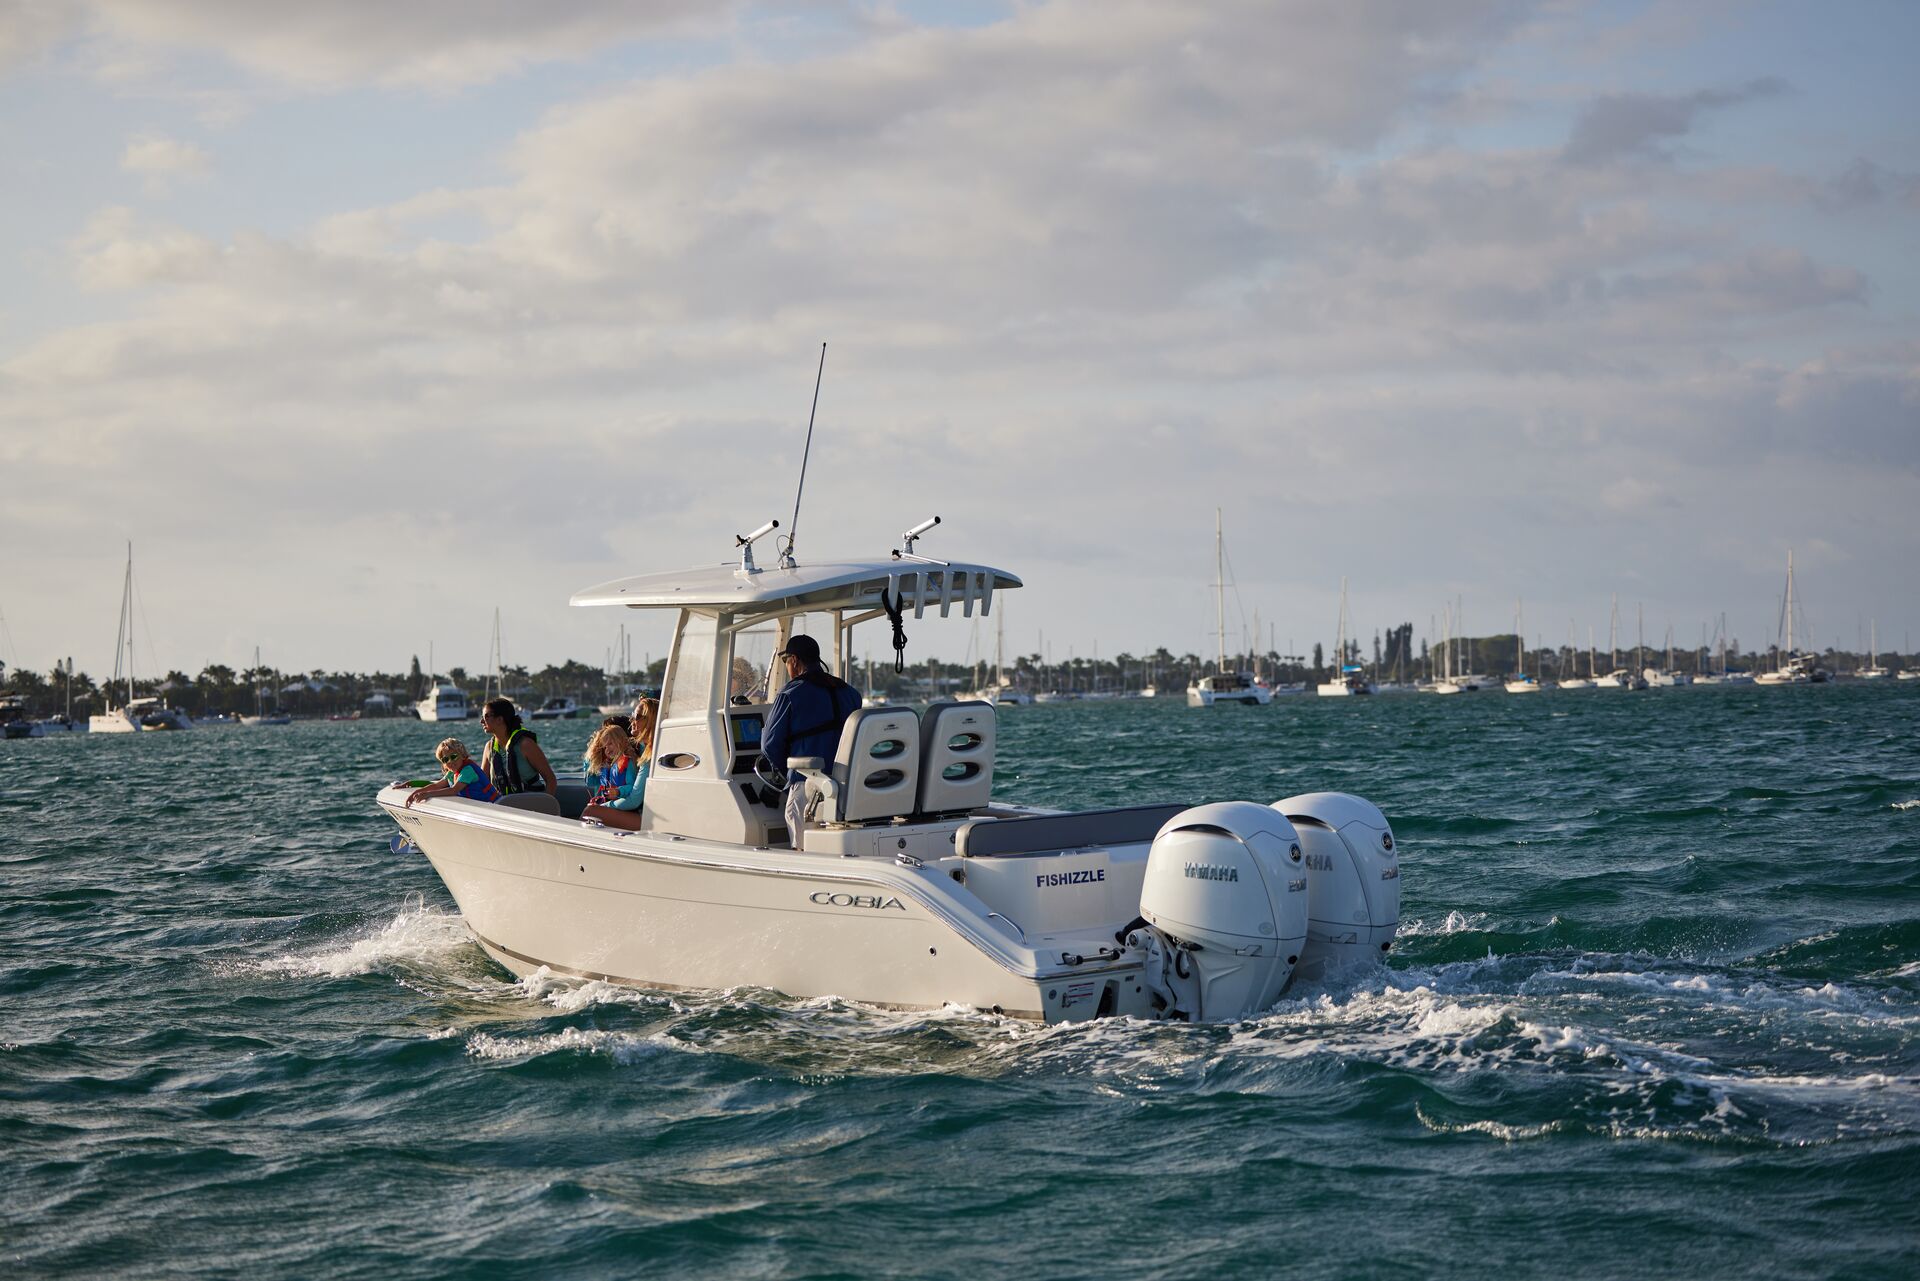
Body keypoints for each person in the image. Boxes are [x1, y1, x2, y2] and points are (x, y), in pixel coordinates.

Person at [761, 635, 860, 850]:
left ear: (794, 661)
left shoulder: (790, 694)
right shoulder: (850, 693)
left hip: (807, 787)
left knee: (804, 852)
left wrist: (784, 771)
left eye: (786, 661)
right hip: (848, 788)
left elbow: (769, 744)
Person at [582, 698, 655, 831]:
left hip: (649, 818)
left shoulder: (649, 756)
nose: (632, 720)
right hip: (643, 813)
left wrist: (600, 807)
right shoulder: (642, 750)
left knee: (590, 812)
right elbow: (590, 780)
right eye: (632, 715)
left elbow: (633, 800)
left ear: (651, 721)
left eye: (637, 717)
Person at [479, 697, 558, 798]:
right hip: (504, 805)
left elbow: (551, 779)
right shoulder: (489, 747)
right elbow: (482, 784)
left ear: (500, 719)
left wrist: (545, 805)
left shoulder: (525, 744)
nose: (482, 721)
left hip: (531, 804)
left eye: (486, 716)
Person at [404, 738, 501, 808]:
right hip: (481, 806)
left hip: (494, 805)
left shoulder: (467, 771)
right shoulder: (452, 773)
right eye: (446, 759)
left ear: (463, 756)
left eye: (453, 756)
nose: (450, 761)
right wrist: (415, 791)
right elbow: (436, 786)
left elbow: (454, 790)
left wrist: (426, 795)